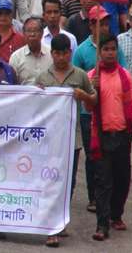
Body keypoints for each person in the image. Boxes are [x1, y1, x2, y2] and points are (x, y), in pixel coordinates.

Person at [35, 33, 97, 247]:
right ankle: (51, 226)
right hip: (48, 139)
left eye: (64, 53)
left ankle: (59, 221)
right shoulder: (43, 77)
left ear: (70, 53)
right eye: (57, 53)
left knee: (68, 182)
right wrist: (37, 94)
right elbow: (34, 108)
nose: (61, 57)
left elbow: (93, 101)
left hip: (72, 137)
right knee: (49, 181)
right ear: (51, 54)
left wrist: (84, 96)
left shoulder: (80, 75)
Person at [89, 35, 132, 241]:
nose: (110, 53)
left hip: (123, 135)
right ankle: (102, 225)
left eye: (113, 49)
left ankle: (116, 215)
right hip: (101, 135)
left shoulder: (125, 76)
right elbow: (87, 106)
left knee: (122, 179)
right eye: (106, 49)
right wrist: (92, 89)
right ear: (99, 52)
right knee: (103, 182)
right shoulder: (92, 76)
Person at [8, 16, 50, 85]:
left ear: (42, 33)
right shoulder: (16, 57)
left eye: (36, 31)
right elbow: (12, 84)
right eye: (29, 31)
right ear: (23, 34)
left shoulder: (51, 53)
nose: (32, 34)